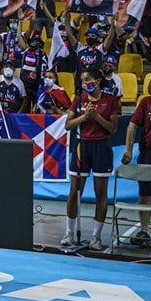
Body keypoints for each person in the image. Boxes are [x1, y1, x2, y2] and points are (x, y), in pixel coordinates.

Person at [62, 67, 121, 251]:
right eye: (82, 80)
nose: (85, 83)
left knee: (100, 193)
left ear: (97, 80)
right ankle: (69, 232)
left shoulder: (111, 100)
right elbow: (67, 125)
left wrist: (96, 117)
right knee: (74, 191)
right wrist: (84, 117)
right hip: (81, 147)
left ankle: (96, 237)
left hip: (101, 147)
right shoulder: (79, 99)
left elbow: (113, 129)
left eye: (88, 79)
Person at [121, 70, 151, 247]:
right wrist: (128, 150)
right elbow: (132, 126)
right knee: (145, 194)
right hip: (149, 153)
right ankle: (144, 231)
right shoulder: (147, 103)